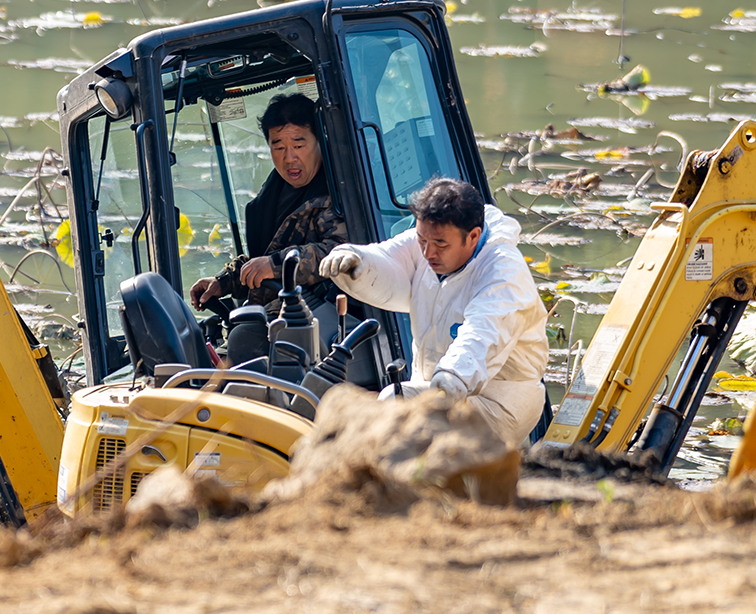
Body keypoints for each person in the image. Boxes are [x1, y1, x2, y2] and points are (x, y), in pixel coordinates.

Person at [318, 177, 547, 448]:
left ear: (473, 236)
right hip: (436, 385)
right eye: (421, 240)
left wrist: (452, 377)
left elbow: (483, 333)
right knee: (394, 408)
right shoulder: (431, 240)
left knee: (395, 407)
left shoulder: (503, 271)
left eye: (440, 244)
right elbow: (390, 257)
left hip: (498, 400)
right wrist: (357, 259)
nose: (427, 252)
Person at [189, 92, 348, 310]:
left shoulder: (340, 191)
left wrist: (275, 265)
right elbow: (262, 259)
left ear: (320, 140)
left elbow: (341, 253)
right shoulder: (272, 193)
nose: (289, 157)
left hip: (316, 315)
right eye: (279, 147)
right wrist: (222, 282)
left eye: (299, 146)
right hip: (271, 313)